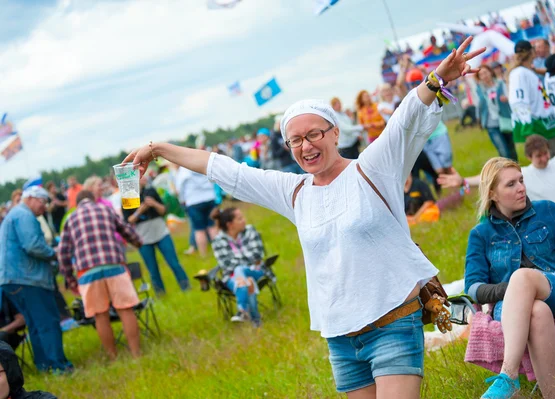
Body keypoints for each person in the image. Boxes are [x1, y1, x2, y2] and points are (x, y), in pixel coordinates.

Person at [124, 37, 484, 398]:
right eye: (295, 140)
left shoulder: (373, 169)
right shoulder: (294, 192)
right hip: (341, 338)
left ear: (335, 132)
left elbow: (403, 120)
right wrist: (157, 149)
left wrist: (436, 78)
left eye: (314, 134)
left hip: (393, 322)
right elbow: (226, 170)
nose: (306, 146)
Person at [464, 157, 555, 399]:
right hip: (509, 306)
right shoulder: (481, 234)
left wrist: (520, 282)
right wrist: (513, 290)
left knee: (524, 277)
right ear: (493, 193)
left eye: (521, 180)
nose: (521, 188)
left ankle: (509, 376)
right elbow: (473, 288)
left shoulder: (546, 211)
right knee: (536, 312)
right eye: (511, 184)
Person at [438, 134, 555, 227]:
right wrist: (462, 181)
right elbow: (490, 178)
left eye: (545, 153)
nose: (544, 158)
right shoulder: (523, 175)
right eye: (538, 156)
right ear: (529, 157)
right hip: (549, 225)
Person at [58, 190, 143, 360]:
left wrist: (71, 280)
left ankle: (113, 357)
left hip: (87, 272)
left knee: (100, 315)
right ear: (93, 199)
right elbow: (126, 230)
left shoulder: (71, 219)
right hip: (115, 266)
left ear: (77, 203)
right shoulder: (106, 210)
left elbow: (63, 253)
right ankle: (136, 354)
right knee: (126, 310)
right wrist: (138, 242)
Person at [0, 186, 72, 372]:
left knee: (35, 323)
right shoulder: (24, 215)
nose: (45, 206)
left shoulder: (15, 214)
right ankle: (58, 366)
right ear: (31, 198)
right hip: (29, 278)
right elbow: (33, 246)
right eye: (43, 201)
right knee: (48, 321)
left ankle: (44, 365)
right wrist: (53, 253)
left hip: (14, 280)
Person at [123, 176, 190, 296]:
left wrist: (154, 204)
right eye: (140, 177)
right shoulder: (127, 196)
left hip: (161, 231)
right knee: (152, 269)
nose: (144, 178)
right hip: (143, 237)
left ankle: (186, 287)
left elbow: (163, 210)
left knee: (173, 262)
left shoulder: (151, 191)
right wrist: (140, 210)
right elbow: (129, 220)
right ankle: (160, 294)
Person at [210, 207, 269, 327]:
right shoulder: (218, 241)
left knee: (239, 269)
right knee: (248, 281)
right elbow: (226, 264)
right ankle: (256, 322)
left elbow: (258, 254)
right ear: (230, 224)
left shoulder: (250, 231)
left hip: (255, 271)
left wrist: (239, 263)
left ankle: (242, 310)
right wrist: (246, 259)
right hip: (233, 277)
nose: (244, 220)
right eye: (240, 218)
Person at [508, 40, 555, 156]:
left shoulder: (527, 71)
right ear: (531, 52)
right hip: (539, 127)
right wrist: (527, 131)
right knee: (553, 162)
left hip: (548, 123)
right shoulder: (519, 74)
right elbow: (519, 101)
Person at [476, 64, 518, 161]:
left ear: (491, 72)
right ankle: (507, 171)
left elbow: (510, 96)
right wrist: (479, 119)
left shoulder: (500, 84)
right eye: (481, 74)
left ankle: (516, 167)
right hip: (491, 124)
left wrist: (506, 99)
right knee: (503, 151)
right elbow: (479, 105)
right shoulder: (479, 90)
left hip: (505, 119)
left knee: (511, 147)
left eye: (485, 72)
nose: (484, 76)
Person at [174, 166, 217, 257]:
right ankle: (218, 250)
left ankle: (203, 255)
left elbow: (180, 187)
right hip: (209, 197)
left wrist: (182, 200)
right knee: (212, 226)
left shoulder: (184, 168)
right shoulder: (201, 161)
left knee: (199, 230)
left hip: (194, 201)